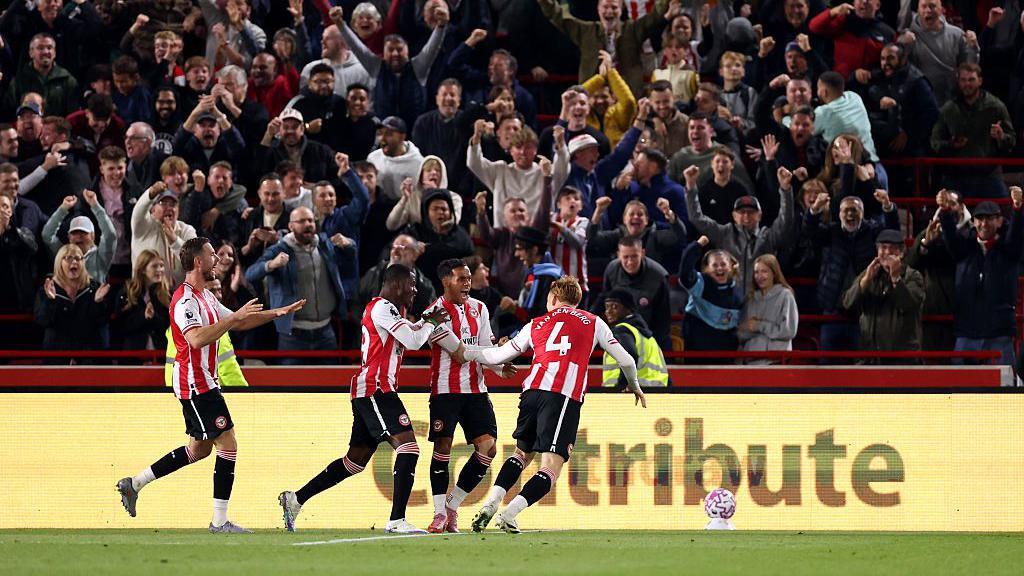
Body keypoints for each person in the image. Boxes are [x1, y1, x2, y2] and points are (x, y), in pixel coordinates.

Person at [116, 236, 304, 533]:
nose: (217, 260)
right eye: (213, 254)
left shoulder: (206, 296)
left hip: (203, 380)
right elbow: (196, 338)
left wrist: (276, 314)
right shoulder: (186, 299)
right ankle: (219, 521)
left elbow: (238, 322)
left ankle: (134, 484)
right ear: (198, 262)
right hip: (196, 383)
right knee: (228, 444)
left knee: (198, 450)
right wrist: (236, 318)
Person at [278, 263, 450, 534]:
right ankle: (396, 521)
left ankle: (295, 499)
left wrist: (426, 322)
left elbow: (413, 333)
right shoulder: (382, 307)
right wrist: (431, 322)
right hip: (376, 389)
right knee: (409, 448)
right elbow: (414, 341)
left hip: (370, 390)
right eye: (412, 284)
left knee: (353, 462)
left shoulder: (394, 311)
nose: (415, 290)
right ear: (395, 284)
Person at [466, 275, 645, 533]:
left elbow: (498, 355)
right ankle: (509, 513)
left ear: (553, 297)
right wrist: (635, 386)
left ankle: (490, 503)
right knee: (552, 466)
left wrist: (466, 352)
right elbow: (626, 361)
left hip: (531, 392)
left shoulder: (536, 323)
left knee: (521, 454)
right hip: (562, 395)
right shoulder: (594, 322)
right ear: (576, 301)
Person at [422, 259, 514, 533]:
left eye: (469, 278)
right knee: (443, 449)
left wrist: (498, 366)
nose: (467, 283)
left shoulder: (480, 308)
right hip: (445, 392)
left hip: (476, 391)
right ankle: (438, 514)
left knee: (489, 449)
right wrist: (494, 355)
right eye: (461, 279)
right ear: (445, 281)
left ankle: (452, 505)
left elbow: (484, 347)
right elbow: (459, 353)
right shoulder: (433, 314)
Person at [245, 207, 347, 364]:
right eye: (301, 221)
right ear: (291, 226)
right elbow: (250, 274)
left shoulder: (325, 245)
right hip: (292, 335)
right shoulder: (279, 249)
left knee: (331, 386)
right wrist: (271, 264)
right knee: (290, 386)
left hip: (326, 332)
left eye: (311, 220)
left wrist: (349, 243)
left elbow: (351, 254)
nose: (308, 224)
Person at [939, 189, 1024, 371]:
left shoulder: (1009, 250)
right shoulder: (965, 249)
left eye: (990, 218)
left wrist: (1017, 209)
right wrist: (945, 212)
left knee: (1004, 393)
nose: (984, 224)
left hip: (999, 334)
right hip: (966, 333)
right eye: (980, 219)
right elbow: (950, 238)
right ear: (974, 221)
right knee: (959, 392)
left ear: (1000, 221)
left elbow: (1016, 234)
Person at [683, 164, 795, 294]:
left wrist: (785, 190)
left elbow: (785, 220)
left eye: (751, 212)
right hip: (730, 302)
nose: (746, 216)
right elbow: (697, 218)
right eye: (742, 212)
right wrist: (690, 188)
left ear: (760, 215)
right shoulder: (724, 233)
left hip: (760, 300)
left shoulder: (768, 236)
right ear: (734, 216)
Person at [333, 5, 447, 128]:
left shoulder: (418, 67)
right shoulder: (376, 67)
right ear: (383, 53)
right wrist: (340, 23)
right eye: (390, 50)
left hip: (414, 133)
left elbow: (433, 47)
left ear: (407, 52)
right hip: (383, 133)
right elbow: (356, 47)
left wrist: (441, 26)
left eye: (399, 49)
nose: (395, 54)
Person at [538, 0, 674, 97]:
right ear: (598, 9)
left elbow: (655, 15)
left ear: (621, 10)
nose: (609, 11)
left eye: (614, 7)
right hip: (592, 96)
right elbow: (558, 16)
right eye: (605, 7)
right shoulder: (586, 31)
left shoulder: (632, 30)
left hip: (627, 95)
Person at [930, 63, 1016, 198]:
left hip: (988, 175)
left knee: (1003, 211)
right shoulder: (949, 109)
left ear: (980, 81)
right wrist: (951, 145)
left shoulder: (995, 107)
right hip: (956, 176)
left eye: (971, 80)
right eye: (963, 80)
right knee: (943, 210)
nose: (967, 84)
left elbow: (1011, 140)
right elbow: (935, 142)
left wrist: (1001, 137)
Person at [842, 229, 926, 356]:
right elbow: (848, 303)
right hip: (869, 356)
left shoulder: (913, 276)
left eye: (893, 248)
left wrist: (896, 279)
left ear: (902, 253)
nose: (887, 252)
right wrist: (865, 280)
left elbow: (909, 304)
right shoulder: (869, 274)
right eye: (883, 248)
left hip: (902, 358)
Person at [164, 278, 248, 389]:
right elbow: (227, 368)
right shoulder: (215, 326)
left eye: (219, 290)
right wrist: (243, 391)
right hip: (203, 390)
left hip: (175, 387)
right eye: (212, 291)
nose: (217, 296)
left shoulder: (176, 322)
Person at [33, 243, 112, 362]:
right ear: (59, 262)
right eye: (68, 258)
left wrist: (98, 303)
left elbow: (102, 322)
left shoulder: (95, 289)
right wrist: (51, 301)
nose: (74, 262)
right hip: (57, 358)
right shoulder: (47, 289)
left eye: (78, 258)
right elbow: (42, 321)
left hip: (88, 358)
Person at [898, 0, 979, 105]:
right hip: (920, 101)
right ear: (918, 10)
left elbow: (969, 67)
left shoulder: (957, 35)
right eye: (924, 6)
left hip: (952, 100)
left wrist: (973, 46)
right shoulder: (908, 38)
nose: (928, 10)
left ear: (942, 10)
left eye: (932, 6)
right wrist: (904, 48)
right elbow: (900, 71)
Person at [599, 235, 672, 351]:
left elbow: (663, 318)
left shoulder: (658, 276)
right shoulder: (611, 270)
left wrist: (654, 345)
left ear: (642, 253)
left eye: (634, 256)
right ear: (618, 255)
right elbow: (604, 303)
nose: (630, 262)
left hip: (648, 337)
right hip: (618, 336)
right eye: (625, 257)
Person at [678, 236, 744, 355]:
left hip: (726, 356)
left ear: (731, 266)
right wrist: (696, 246)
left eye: (723, 264)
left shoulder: (738, 292)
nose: (719, 268)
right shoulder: (699, 283)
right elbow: (685, 273)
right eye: (714, 265)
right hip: (697, 354)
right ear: (707, 268)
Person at [41, 191, 117, 284]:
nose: (78, 236)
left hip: (94, 297)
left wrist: (95, 206)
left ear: (92, 236)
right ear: (69, 237)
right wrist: (63, 209)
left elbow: (110, 235)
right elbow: (47, 235)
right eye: (74, 232)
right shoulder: (62, 254)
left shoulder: (101, 256)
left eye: (83, 232)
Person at [131, 182, 198, 286]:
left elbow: (194, 261)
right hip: (146, 293)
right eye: (163, 203)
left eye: (173, 204)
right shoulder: (143, 226)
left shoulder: (187, 230)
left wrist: (175, 241)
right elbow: (138, 212)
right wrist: (150, 193)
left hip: (180, 296)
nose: (169, 208)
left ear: (178, 210)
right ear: (152, 209)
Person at [600, 288, 669, 388]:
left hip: (626, 395)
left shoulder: (621, 330)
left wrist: (622, 385)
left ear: (628, 308)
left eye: (614, 307)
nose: (608, 311)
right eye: (606, 307)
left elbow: (629, 355)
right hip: (655, 393)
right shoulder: (648, 337)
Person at [737, 254, 799, 363]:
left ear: (774, 273)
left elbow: (788, 331)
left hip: (774, 362)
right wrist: (748, 328)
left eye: (764, 271)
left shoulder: (785, 295)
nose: (759, 276)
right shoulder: (750, 298)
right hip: (750, 361)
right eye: (756, 272)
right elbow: (741, 333)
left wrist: (759, 325)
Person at [113, 250, 171, 352]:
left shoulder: (168, 293)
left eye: (161, 266)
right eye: (154, 266)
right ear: (143, 269)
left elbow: (170, 327)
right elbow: (120, 326)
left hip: (161, 354)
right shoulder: (127, 292)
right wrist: (143, 317)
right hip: (134, 356)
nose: (159, 270)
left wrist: (154, 317)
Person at [368, 116, 424, 201]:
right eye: (380, 133)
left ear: (402, 137)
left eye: (388, 134)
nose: (382, 139)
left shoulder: (418, 163)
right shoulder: (373, 158)